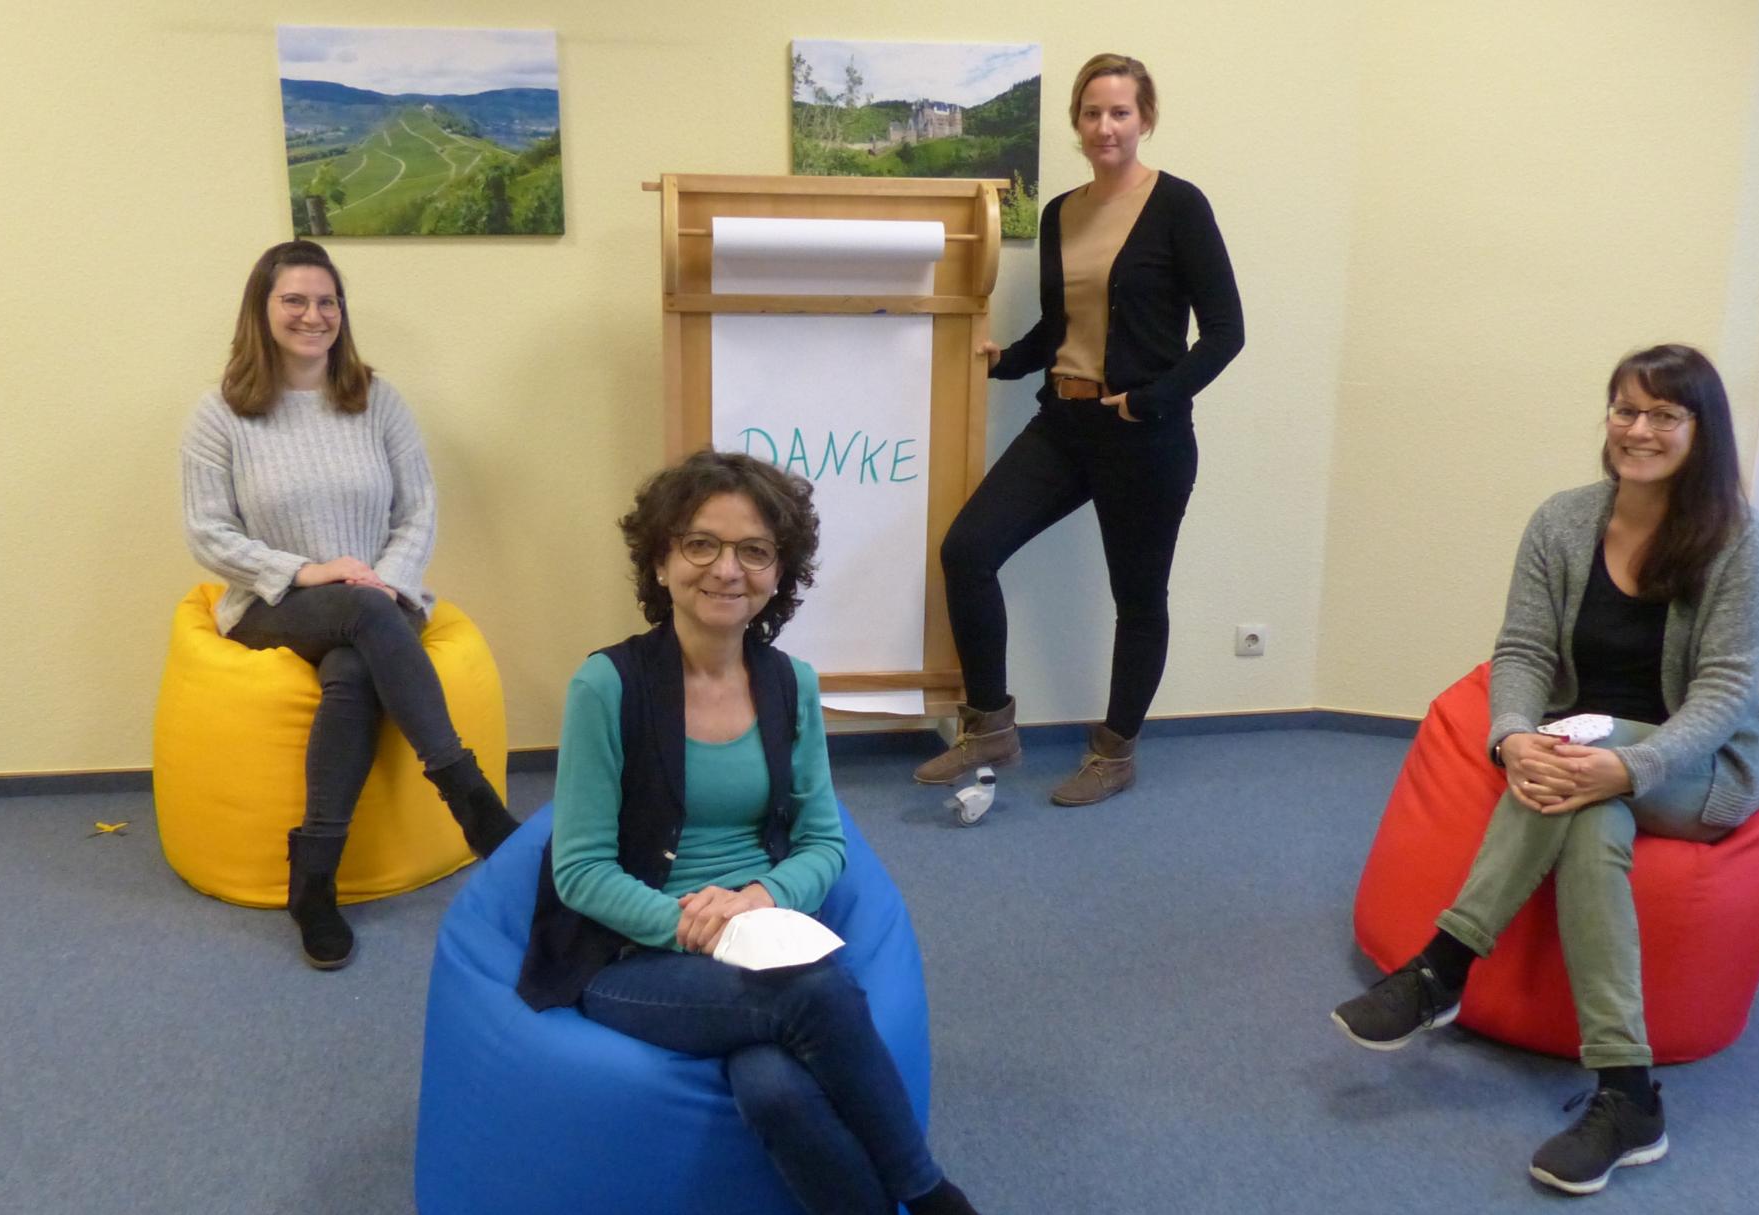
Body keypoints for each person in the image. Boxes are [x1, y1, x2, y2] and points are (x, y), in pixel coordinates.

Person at [1330, 344, 1759, 1195]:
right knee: (1588, 817)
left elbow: (1726, 690)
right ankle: (1627, 1093)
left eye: (1663, 414)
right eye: (1624, 409)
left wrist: (1630, 763)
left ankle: (1443, 966)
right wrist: (1511, 738)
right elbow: (1521, 650)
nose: (1638, 429)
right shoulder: (1563, 520)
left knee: (1586, 770)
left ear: (1702, 430)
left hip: (1699, 762)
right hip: (1583, 758)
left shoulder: (1737, 539)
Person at [517, 450, 981, 1215]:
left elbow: (826, 842)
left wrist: (758, 898)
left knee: (772, 1086)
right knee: (817, 996)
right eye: (701, 544)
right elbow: (582, 872)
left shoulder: (788, 682)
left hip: (759, 934)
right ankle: (929, 1193)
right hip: (629, 952)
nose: (727, 569)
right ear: (661, 561)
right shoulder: (607, 685)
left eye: (754, 550)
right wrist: (697, 924)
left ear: (777, 573)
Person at [181, 240, 517, 971]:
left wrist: (385, 580)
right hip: (273, 604)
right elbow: (208, 532)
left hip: (380, 598)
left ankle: (314, 878)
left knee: (356, 666)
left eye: (327, 301)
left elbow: (419, 508)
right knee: (363, 619)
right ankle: (468, 796)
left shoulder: (375, 397)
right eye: (294, 300)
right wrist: (309, 572)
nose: (313, 314)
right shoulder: (222, 414)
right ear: (262, 311)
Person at [918, 52, 1244, 805]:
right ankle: (990, 724)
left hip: (1145, 436)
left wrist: (1148, 401)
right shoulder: (1063, 211)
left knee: (1138, 597)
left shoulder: (1179, 206)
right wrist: (1006, 360)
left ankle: (1115, 750)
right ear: (1077, 122)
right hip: (1063, 422)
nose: (1106, 126)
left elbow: (1226, 332)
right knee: (967, 550)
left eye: (1121, 112)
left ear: (1146, 119)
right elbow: (1060, 326)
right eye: (1093, 113)